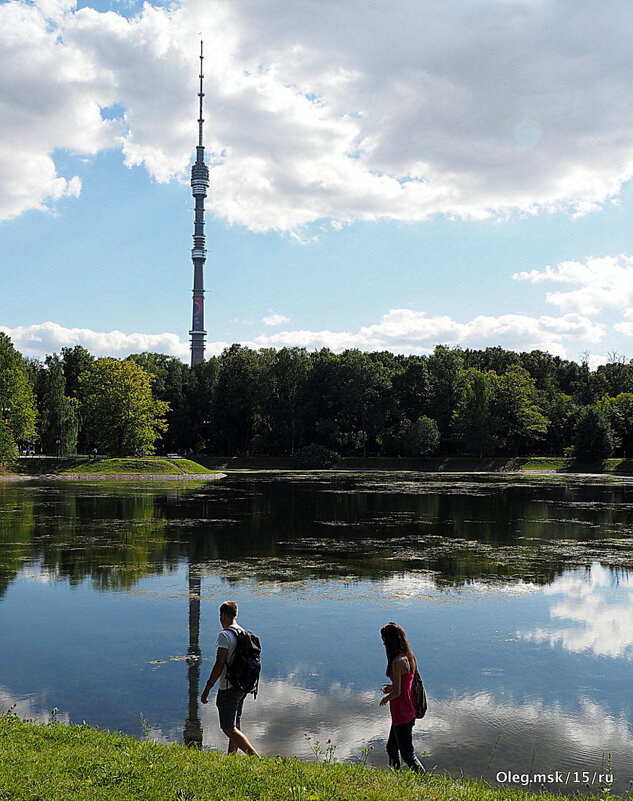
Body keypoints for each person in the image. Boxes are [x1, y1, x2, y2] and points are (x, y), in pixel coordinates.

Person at [200, 600, 259, 756]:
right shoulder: (244, 633)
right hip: (243, 686)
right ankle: (231, 758)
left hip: (228, 687)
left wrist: (207, 688)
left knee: (228, 727)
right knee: (236, 723)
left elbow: (219, 665)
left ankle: (255, 758)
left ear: (223, 615)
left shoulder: (225, 635)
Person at [379, 622, 424, 773]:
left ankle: (424, 779)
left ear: (391, 640)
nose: (383, 642)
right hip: (408, 711)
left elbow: (398, 693)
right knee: (391, 748)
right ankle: (395, 778)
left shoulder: (397, 662)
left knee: (407, 754)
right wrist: (391, 688)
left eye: (384, 639)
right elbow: (405, 686)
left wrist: (385, 699)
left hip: (402, 714)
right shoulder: (409, 657)